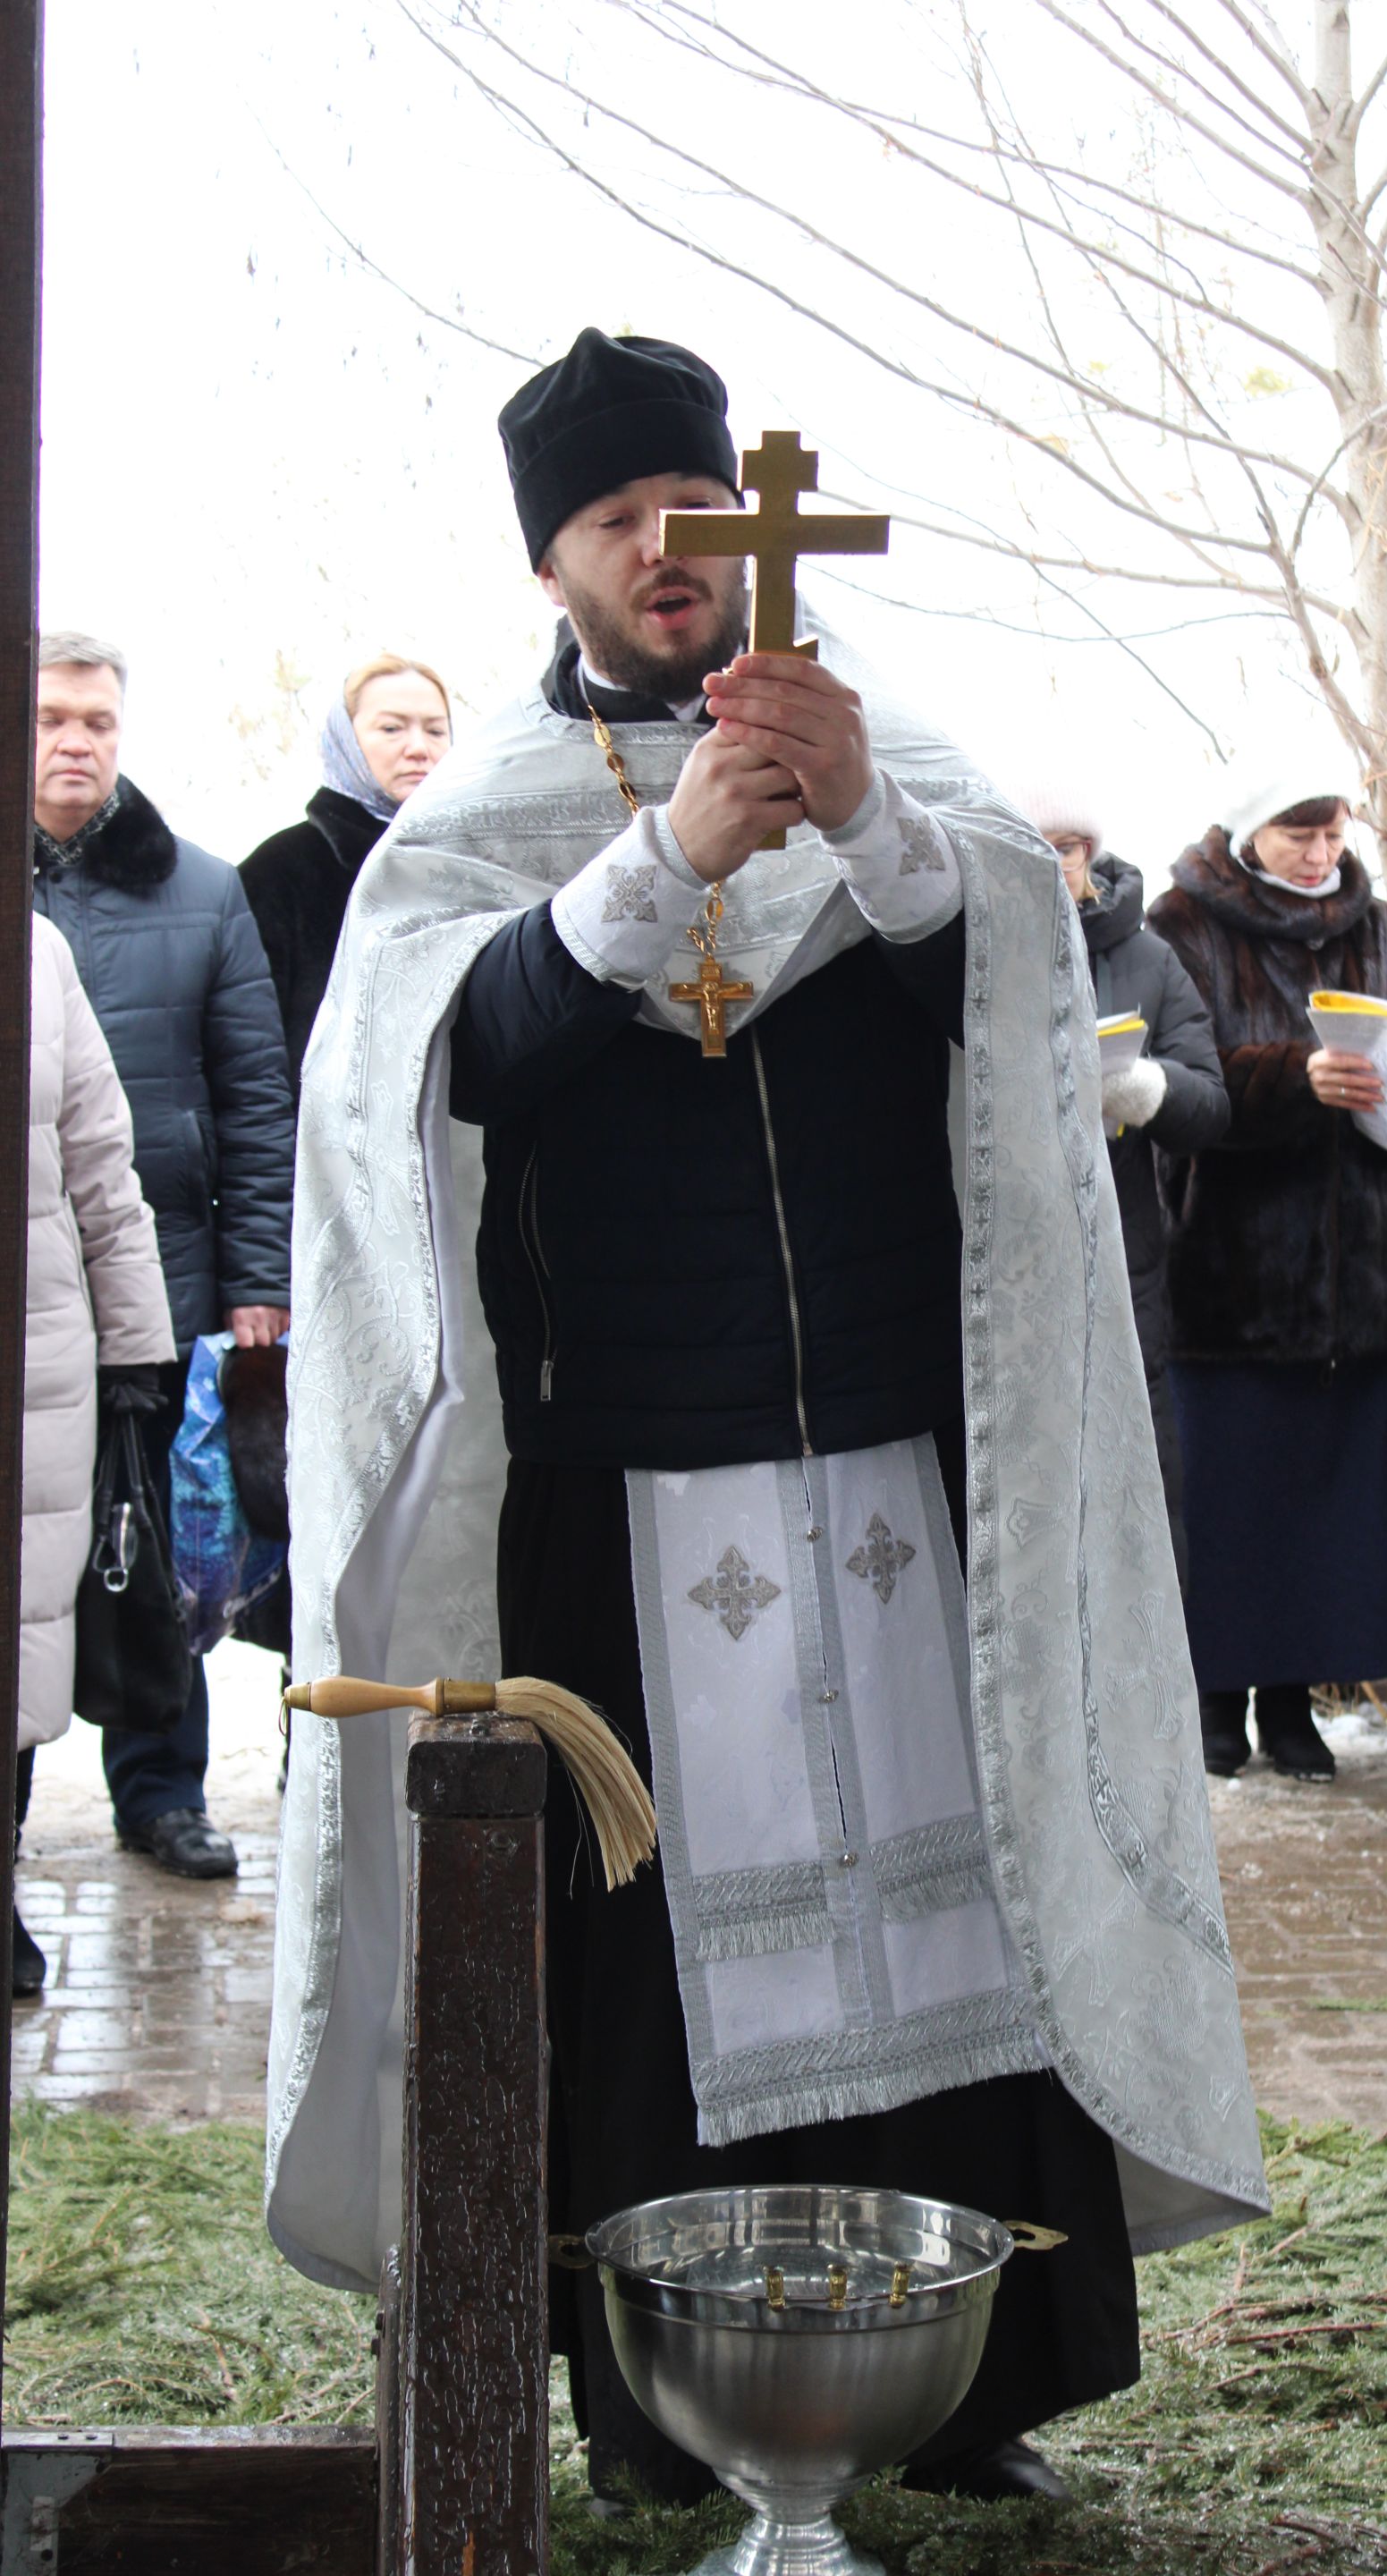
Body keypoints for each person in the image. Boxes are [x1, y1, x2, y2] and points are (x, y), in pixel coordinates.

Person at [268, 329, 1266, 2509]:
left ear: (755, 523)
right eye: (617, 522)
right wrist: (659, 869)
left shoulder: (898, 756)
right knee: (649, 1968)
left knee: (955, 1939)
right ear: (554, 561)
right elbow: (428, 1080)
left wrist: (875, 835)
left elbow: (1008, 1016)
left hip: (900, 1459)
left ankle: (963, 2390)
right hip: (620, 1487)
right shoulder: (472, 830)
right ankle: (665, 2407)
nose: (666, 552)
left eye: (694, 512)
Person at [31, 634, 295, 1880]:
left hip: (172, 1275)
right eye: (47, 718)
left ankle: (163, 1794)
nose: (73, 740)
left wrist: (256, 1280)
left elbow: (254, 1096)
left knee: (162, 1545)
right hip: (27, 1285)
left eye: (95, 720)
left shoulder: (204, 894)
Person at [1148, 745, 1387, 1783]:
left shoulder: (1379, 929)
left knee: (1320, 1504)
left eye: (1333, 831)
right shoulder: (1181, 926)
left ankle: (1293, 1704)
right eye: (1297, 832)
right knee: (1226, 1503)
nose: (1319, 853)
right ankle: (1217, 1703)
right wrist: (1292, 1080)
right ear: (1248, 831)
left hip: (1353, 1275)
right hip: (1225, 1273)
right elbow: (1177, 1083)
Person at [18, 916, 177, 1994]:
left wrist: (136, 1358)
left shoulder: (37, 951)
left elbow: (102, 1173)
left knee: (19, 1638)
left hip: (33, 1362)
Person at [1017, 782, 1230, 1589]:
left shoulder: (1148, 959)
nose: (1051, 862)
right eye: (1032, 844)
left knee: (1141, 1492)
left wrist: (1144, 1090)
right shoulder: (971, 942)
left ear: (1091, 856)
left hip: (1123, 1265)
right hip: (1004, 1256)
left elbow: (1210, 1104)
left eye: (1066, 847)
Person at [240, 655, 454, 1095]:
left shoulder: (477, 864)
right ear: (345, 741)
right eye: (391, 728)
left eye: (435, 730)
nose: (419, 748)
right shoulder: (279, 869)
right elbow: (250, 1049)